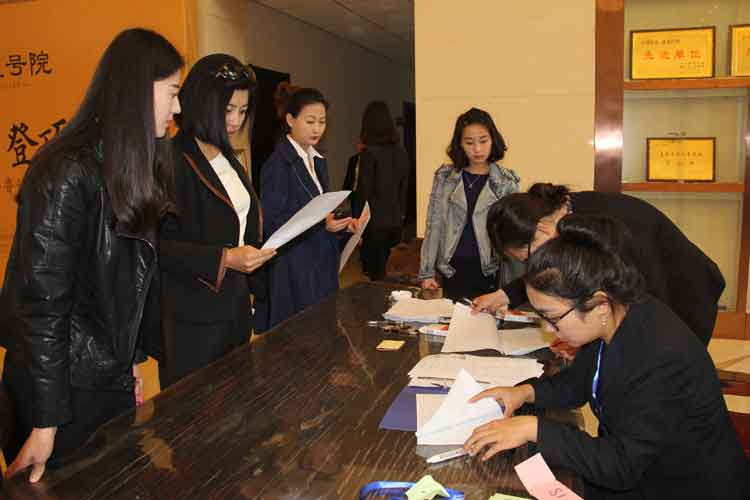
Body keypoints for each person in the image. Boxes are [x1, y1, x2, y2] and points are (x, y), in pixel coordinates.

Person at [0, 28, 183, 482]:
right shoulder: (66, 172)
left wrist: (129, 361)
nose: (178, 108)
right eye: (172, 92)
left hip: (104, 377)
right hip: (61, 390)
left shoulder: (128, 169)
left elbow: (126, 285)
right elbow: (42, 306)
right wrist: (45, 421)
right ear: (138, 91)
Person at [464, 215, 750, 500]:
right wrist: (524, 393)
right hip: (637, 471)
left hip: (681, 487)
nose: (549, 330)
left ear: (599, 305)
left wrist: (534, 428)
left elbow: (622, 466)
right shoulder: (617, 313)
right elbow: (578, 383)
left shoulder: (661, 357)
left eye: (552, 318)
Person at [474, 183, 725, 347]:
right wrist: (504, 295)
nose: (534, 265)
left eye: (527, 258)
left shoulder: (608, 224)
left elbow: (647, 299)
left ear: (540, 229)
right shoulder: (560, 219)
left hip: (684, 296)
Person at [157, 54, 275, 388]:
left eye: (243, 110)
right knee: (194, 410)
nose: (236, 121)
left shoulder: (228, 158)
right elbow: (157, 245)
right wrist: (224, 258)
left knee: (237, 404)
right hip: (192, 320)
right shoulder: (170, 160)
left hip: (234, 310)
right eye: (227, 110)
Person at [257, 88, 354, 330]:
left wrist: (342, 226)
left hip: (320, 262)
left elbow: (322, 211)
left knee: (324, 331)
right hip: (294, 267)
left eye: (322, 122)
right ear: (290, 120)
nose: (317, 129)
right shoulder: (278, 164)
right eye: (310, 121)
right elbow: (274, 222)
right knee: (300, 336)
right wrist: (323, 224)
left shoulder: (318, 161)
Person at [418, 107, 520, 300]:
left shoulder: (506, 182)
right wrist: (427, 272)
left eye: (483, 140)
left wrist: (511, 287)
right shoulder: (445, 178)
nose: (477, 149)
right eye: (469, 142)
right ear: (460, 144)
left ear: (493, 140)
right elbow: (434, 224)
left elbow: (512, 234)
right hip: (451, 269)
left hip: (490, 270)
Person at [350, 100, 409, 281]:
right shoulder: (401, 151)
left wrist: (356, 222)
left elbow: (363, 191)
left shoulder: (369, 154)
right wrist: (401, 214)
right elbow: (404, 187)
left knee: (376, 277)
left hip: (374, 224)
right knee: (394, 274)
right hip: (396, 221)